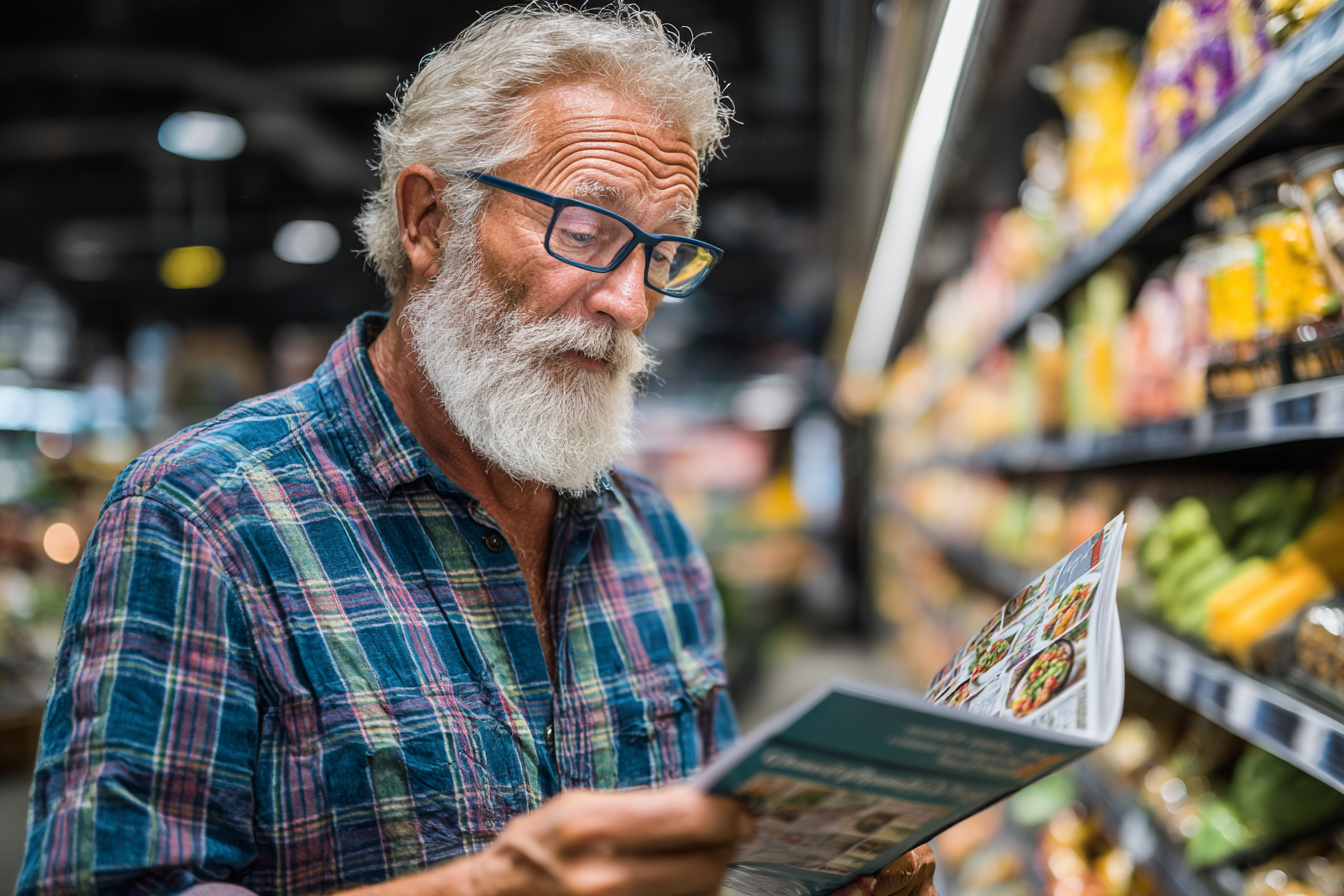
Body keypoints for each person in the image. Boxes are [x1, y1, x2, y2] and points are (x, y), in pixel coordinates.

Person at [18, 6, 936, 896]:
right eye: (586, 231)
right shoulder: (203, 518)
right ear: (429, 220)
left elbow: (711, 860)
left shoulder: (654, 540)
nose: (630, 302)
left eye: (663, 254)